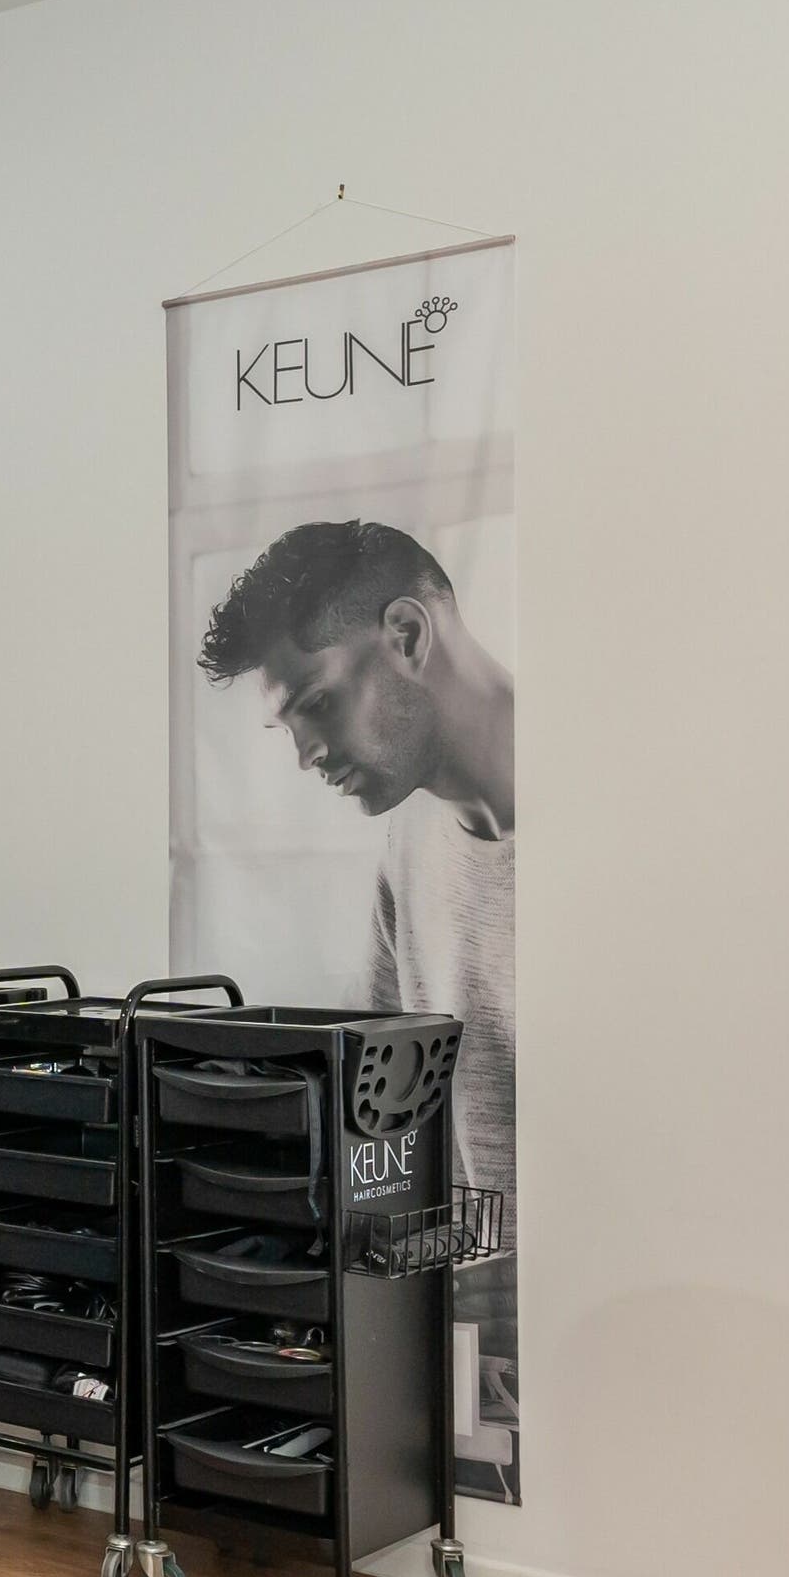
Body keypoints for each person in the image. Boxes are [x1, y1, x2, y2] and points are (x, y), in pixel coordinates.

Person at [198, 518, 518, 1450]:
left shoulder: (620, 820)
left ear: (409, 636)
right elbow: (396, 1128)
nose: (306, 756)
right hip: (496, 1381)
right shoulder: (408, 851)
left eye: (320, 705)